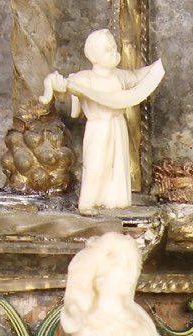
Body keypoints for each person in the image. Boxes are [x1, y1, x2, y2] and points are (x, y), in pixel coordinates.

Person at [40, 29, 164, 212]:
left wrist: (158, 67)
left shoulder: (120, 76)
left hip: (118, 125)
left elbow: (138, 76)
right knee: (97, 164)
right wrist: (55, 84)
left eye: (114, 47)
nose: (113, 52)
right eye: (107, 49)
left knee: (117, 165)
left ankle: (116, 201)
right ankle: (89, 202)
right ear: (93, 56)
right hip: (98, 128)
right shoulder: (85, 78)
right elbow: (64, 86)